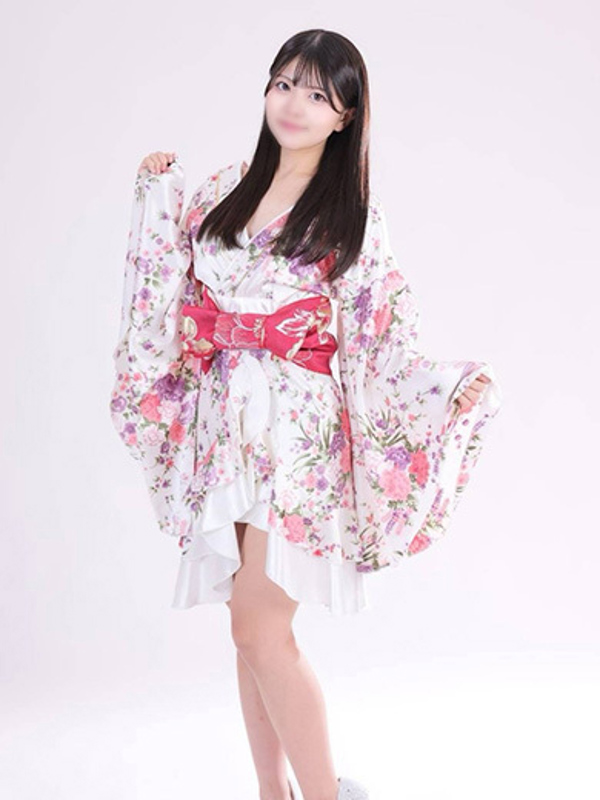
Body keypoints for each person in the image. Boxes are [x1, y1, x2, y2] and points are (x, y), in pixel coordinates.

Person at [110, 28, 502, 800]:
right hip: (229, 426)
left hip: (299, 437)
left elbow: (382, 336)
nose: (295, 103)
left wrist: (441, 387)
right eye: (285, 83)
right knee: (253, 630)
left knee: (258, 627)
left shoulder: (351, 217)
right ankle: (274, 794)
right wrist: (156, 192)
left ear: (345, 116)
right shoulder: (221, 190)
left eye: (318, 95)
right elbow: (169, 285)